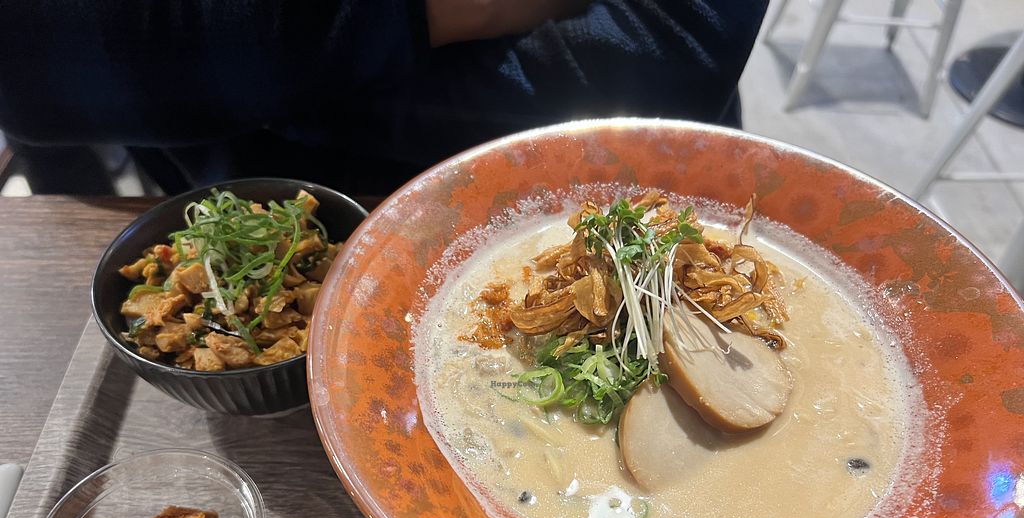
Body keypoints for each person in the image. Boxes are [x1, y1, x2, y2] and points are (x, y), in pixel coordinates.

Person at [0, 1, 769, 194]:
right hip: (245, 232)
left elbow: (665, 44)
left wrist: (254, 76)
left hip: (620, 193)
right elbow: (36, 57)